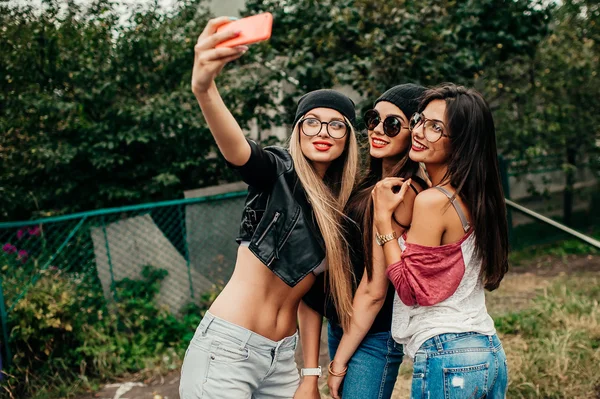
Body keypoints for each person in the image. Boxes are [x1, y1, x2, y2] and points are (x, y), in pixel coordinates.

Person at [179, 17, 359, 399]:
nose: (322, 133)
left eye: (335, 125)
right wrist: (204, 89)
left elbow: (310, 299)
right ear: (297, 130)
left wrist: (309, 375)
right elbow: (240, 153)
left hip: (281, 360)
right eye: (311, 122)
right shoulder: (278, 170)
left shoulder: (340, 212)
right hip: (229, 349)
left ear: (348, 139)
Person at [372, 84, 509, 398]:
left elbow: (411, 290)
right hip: (487, 350)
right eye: (421, 120)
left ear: (461, 143)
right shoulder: (477, 197)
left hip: (447, 350)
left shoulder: (433, 201)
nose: (419, 131)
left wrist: (383, 223)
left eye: (436, 128)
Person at [296, 84, 428, 399]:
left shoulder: (403, 192)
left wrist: (338, 362)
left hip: (373, 335)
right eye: (373, 119)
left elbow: (374, 290)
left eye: (392, 124)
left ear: (414, 131)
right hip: (344, 324)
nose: (378, 130)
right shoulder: (367, 184)